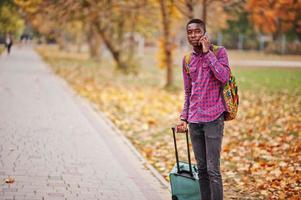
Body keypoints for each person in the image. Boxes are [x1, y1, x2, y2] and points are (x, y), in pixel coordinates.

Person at [176, 18, 231, 200]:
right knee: (201, 169)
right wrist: (184, 117)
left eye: (197, 31)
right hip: (194, 121)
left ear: (204, 33)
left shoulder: (219, 53)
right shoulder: (187, 60)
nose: (193, 35)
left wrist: (208, 53)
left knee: (213, 169)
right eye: (190, 32)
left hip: (214, 118)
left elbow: (223, 77)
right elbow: (188, 91)